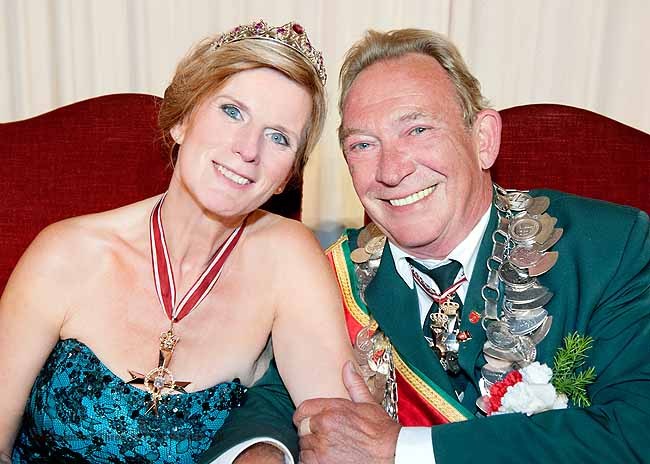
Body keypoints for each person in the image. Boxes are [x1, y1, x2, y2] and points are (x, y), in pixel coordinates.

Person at [208, 28, 650, 464]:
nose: (391, 171)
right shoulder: (333, 275)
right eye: (363, 144)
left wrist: (399, 450)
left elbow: (637, 429)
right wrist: (263, 452)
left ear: (483, 140)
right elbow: (275, 401)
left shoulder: (609, 248)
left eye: (417, 129)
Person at [0, 19, 354, 463]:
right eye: (232, 112)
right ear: (182, 121)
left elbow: (338, 434)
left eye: (278, 137)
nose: (248, 149)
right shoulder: (66, 254)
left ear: (288, 176)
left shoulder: (290, 261)